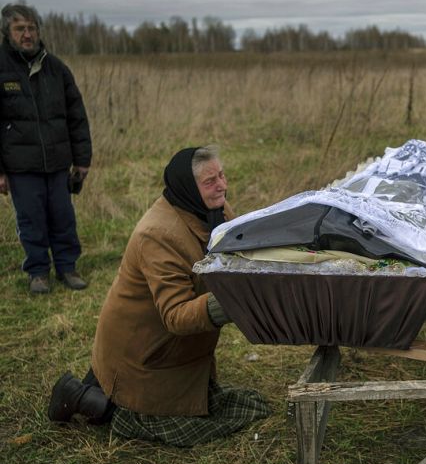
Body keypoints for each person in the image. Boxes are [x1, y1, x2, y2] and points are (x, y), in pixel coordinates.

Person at [47, 146, 271, 447]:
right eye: (210, 181)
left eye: (222, 175)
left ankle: (103, 394)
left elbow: (237, 252)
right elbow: (176, 315)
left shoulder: (214, 212)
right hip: (144, 355)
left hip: (174, 352)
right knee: (195, 429)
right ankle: (94, 402)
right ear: (189, 187)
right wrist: (233, 301)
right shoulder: (158, 235)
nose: (222, 185)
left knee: (249, 405)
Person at [0, 3, 92, 295]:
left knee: (63, 217)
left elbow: (76, 115)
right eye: (20, 29)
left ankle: (67, 268)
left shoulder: (56, 68)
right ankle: (38, 272)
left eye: (31, 28)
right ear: (7, 32)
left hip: (57, 162)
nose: (27, 35)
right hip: (20, 165)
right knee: (31, 221)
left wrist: (82, 160)